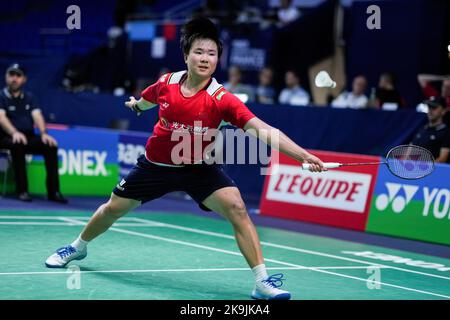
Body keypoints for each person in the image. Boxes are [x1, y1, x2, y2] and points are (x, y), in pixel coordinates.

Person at [44, 17, 325, 300]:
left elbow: (263, 130)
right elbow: (145, 100)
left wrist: (303, 155)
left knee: (238, 208)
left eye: (212, 54)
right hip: (155, 166)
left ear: (218, 60)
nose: (205, 58)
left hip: (197, 168)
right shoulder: (167, 83)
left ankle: (262, 282)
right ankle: (78, 246)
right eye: (199, 52)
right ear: (186, 56)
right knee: (112, 209)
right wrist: (136, 106)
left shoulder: (222, 99)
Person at [0, 64, 68, 203]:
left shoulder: (30, 97)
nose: (14, 78)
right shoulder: (1, 96)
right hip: (6, 137)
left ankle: (53, 192)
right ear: (6, 77)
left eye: (18, 75)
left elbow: (37, 115)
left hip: (27, 137)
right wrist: (14, 132)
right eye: (11, 75)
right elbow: (1, 118)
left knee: (50, 146)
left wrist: (44, 133)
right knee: (17, 144)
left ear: (24, 79)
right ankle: (22, 190)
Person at [411, 96, 450, 163]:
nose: (430, 110)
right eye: (429, 107)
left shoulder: (446, 132)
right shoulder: (421, 129)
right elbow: (409, 151)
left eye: (434, 107)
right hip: (416, 170)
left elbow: (443, 158)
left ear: (443, 111)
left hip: (436, 171)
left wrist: (425, 168)